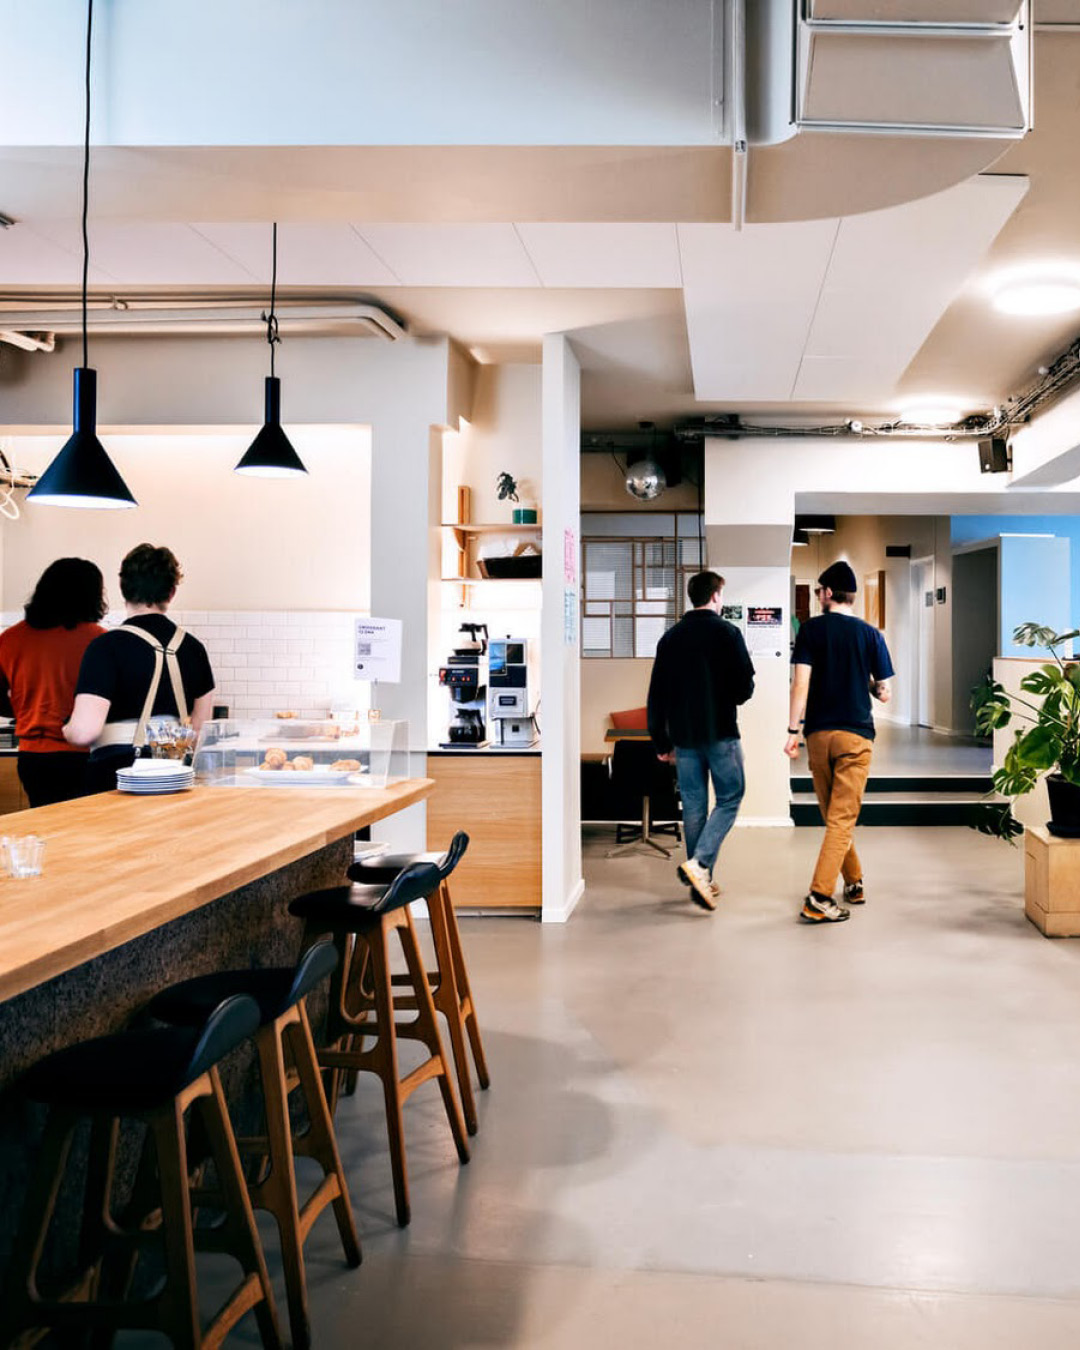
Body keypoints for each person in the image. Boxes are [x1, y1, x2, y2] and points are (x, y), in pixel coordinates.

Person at [784, 560, 894, 925]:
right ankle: (818, 896)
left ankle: (855, 881)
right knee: (842, 818)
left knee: (834, 816)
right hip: (855, 736)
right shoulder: (870, 635)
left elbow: (800, 684)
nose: (818, 596)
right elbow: (885, 693)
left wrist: (791, 732)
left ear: (828, 593)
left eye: (819, 591)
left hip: (818, 736)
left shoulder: (811, 632)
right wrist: (868, 683)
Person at [64, 544, 216, 793]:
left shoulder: (105, 647)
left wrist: (67, 728)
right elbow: (199, 732)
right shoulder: (194, 649)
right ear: (171, 592)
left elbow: (84, 732)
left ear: (124, 589)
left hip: (115, 779)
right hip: (174, 776)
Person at [647, 569, 755, 911]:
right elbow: (745, 688)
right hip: (720, 732)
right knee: (730, 797)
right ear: (715, 596)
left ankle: (701, 877)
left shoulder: (670, 638)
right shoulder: (728, 633)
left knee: (693, 808)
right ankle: (700, 866)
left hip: (683, 737)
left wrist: (660, 741)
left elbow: (657, 695)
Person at [0, 559, 108, 807]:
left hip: (32, 757)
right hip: (84, 756)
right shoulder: (99, 641)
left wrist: (26, 710)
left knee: (45, 830)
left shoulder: (10, 639)